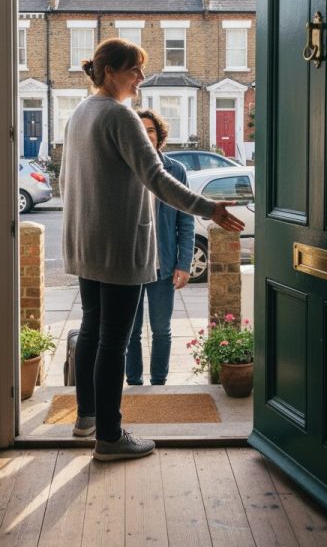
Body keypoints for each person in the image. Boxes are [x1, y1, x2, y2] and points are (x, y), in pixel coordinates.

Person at [60, 37, 244, 462]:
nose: (141, 78)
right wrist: (209, 209)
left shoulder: (80, 113)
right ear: (110, 72)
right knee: (114, 342)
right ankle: (109, 437)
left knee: (92, 330)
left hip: (89, 243)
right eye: (134, 70)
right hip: (119, 245)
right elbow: (157, 179)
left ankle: (86, 417)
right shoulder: (120, 116)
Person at [126, 108, 193, 387]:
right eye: (139, 129)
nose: (145, 134)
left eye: (150, 130)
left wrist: (184, 264)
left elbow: (185, 221)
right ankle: (134, 383)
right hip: (129, 267)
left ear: (159, 136)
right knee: (130, 333)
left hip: (162, 267)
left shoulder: (175, 171)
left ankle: (159, 383)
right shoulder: (124, 169)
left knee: (162, 330)